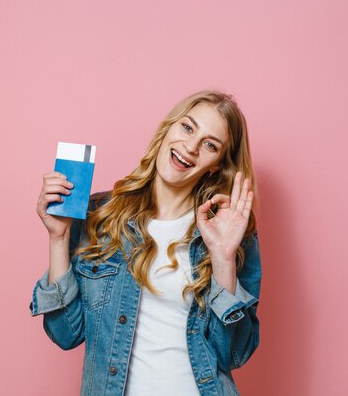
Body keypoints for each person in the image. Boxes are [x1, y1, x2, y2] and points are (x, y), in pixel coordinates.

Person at [30, 90, 261, 396]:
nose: (190, 148)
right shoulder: (101, 216)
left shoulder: (228, 233)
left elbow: (232, 354)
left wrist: (223, 258)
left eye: (209, 145)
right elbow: (65, 334)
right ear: (168, 128)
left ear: (217, 165)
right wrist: (58, 238)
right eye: (188, 127)